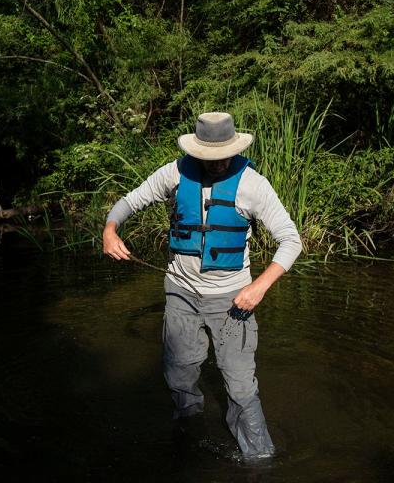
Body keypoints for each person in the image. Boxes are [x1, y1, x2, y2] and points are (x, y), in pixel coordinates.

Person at [102, 112, 302, 459]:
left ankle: (259, 459)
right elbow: (130, 201)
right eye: (207, 157)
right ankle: (189, 439)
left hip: (234, 298)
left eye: (221, 156)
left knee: (240, 386)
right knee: (179, 376)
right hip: (180, 292)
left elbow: (291, 240)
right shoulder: (176, 172)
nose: (215, 164)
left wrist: (259, 287)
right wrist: (109, 229)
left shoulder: (252, 184)